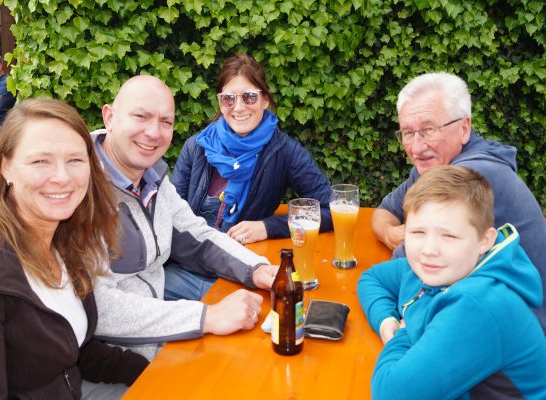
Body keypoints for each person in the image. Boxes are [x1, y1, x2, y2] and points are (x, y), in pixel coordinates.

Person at [0, 99, 148, 399]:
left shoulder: (63, 237)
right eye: (41, 161)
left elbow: (74, 348)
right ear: (5, 167)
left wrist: (152, 370)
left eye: (75, 160)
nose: (62, 177)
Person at [91, 75, 278, 362]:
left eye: (166, 122)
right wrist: (206, 317)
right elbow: (96, 305)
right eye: (141, 116)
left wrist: (257, 269)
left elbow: (197, 235)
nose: (154, 132)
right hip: (108, 366)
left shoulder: (152, 178)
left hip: (159, 343)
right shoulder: (77, 186)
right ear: (110, 117)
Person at [371, 72, 546, 331]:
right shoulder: (435, 164)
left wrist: (407, 237)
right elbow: (384, 212)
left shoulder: (471, 175)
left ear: (464, 128)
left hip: (515, 332)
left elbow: (403, 268)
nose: (416, 148)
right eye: (408, 133)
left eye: (429, 130)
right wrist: (393, 233)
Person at [358, 165, 546, 400]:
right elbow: (373, 278)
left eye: (449, 236)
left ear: (484, 241)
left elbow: (390, 394)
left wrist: (403, 332)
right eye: (417, 232)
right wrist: (387, 321)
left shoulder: (479, 304)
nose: (429, 250)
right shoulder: (438, 269)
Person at [169, 53, 332, 298]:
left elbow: (328, 210)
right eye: (228, 99)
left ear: (265, 100)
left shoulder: (284, 151)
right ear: (220, 103)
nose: (238, 107)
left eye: (249, 97)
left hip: (240, 272)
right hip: (186, 268)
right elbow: (169, 215)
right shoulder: (197, 147)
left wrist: (267, 227)